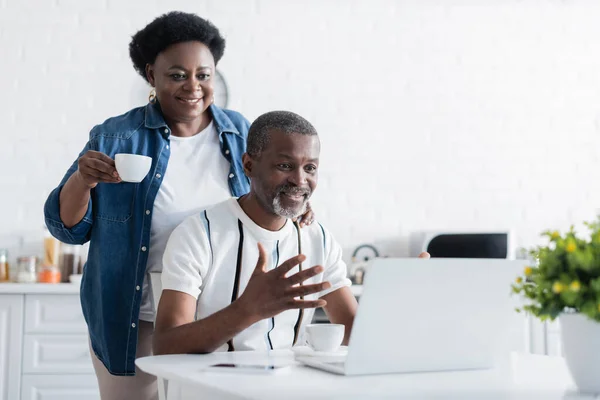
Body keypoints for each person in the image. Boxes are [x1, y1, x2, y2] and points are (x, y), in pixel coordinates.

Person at [43, 12, 313, 400]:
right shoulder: (116, 136)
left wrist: (295, 208)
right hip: (138, 319)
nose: (193, 86)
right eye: (177, 75)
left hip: (221, 315)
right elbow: (66, 228)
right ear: (151, 75)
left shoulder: (239, 133)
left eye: (203, 75)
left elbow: (271, 196)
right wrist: (82, 180)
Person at [153, 111, 357, 354]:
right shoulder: (199, 234)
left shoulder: (319, 239)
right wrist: (247, 310)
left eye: (310, 168)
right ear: (248, 165)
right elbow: (166, 345)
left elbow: (356, 332)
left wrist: (408, 295)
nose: (300, 180)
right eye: (285, 165)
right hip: (216, 388)